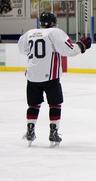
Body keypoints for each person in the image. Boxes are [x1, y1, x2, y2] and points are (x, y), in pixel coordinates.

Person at [18, 12, 91, 147]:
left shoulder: (29, 33)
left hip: (32, 76)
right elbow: (68, 50)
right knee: (55, 104)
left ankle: (30, 130)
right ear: (53, 22)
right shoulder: (54, 32)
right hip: (50, 77)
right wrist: (82, 45)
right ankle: (53, 132)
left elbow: (22, 50)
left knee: (33, 105)